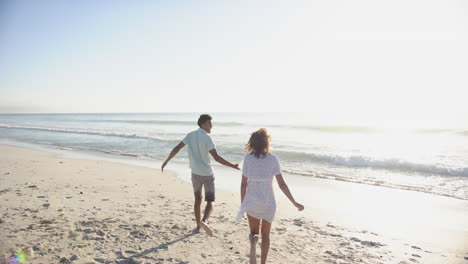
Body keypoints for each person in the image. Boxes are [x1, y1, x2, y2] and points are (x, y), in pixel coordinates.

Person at [161, 114, 239, 236]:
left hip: (195, 173)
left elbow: (177, 147)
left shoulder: (190, 135)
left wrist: (166, 161)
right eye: (209, 123)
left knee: (197, 200)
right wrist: (233, 166)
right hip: (207, 174)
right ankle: (204, 221)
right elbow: (217, 158)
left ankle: (198, 226)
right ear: (203, 124)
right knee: (211, 201)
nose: (211, 126)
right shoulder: (207, 138)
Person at [237, 128, 304, 264]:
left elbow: (243, 185)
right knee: (266, 235)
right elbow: (282, 184)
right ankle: (263, 262)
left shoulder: (247, 159)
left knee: (254, 231)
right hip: (268, 202)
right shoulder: (273, 159)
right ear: (266, 143)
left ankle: (253, 242)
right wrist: (294, 202)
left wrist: (243, 205)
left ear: (253, 143)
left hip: (252, 202)